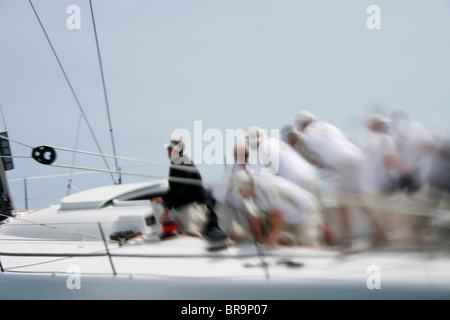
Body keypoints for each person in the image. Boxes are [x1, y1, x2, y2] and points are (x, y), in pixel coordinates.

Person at [294, 110, 385, 247]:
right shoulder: (328, 125)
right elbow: (349, 140)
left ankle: (348, 238)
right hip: (357, 157)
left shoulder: (305, 136)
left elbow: (311, 160)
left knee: (341, 202)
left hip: (341, 163)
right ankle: (378, 230)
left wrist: (327, 166)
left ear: (301, 125)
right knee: (358, 198)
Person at [232, 170, 323, 247]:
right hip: (290, 218)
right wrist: (243, 236)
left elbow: (277, 213)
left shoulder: (264, 185)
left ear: (246, 184)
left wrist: (270, 240)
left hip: (306, 212)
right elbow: (258, 219)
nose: (242, 195)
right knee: (283, 244)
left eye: (241, 191)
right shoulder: (254, 196)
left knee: (307, 246)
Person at [151, 139, 208, 238]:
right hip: (184, 206)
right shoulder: (179, 161)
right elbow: (177, 188)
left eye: (169, 149)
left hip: (191, 206)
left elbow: (180, 186)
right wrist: (167, 208)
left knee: (193, 235)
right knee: (183, 236)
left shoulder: (181, 161)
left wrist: (165, 199)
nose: (167, 152)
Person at [244, 126, 320, 196]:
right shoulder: (275, 142)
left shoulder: (261, 150)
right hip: (312, 175)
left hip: (298, 183)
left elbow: (270, 180)